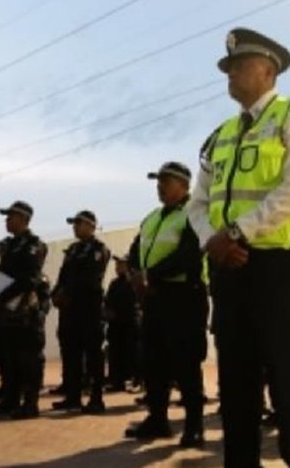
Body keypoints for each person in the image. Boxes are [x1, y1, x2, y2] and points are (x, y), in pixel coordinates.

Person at [187, 28, 290, 468]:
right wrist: (212, 239)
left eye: (240, 65)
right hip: (227, 267)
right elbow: (196, 203)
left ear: (269, 70)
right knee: (236, 380)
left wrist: (237, 233)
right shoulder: (220, 135)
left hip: (274, 266)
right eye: (228, 68)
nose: (232, 74)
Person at [125, 161, 208, 448]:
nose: (160, 186)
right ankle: (157, 419)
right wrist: (136, 273)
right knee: (154, 361)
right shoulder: (152, 218)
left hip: (184, 296)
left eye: (166, 181)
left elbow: (189, 255)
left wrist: (150, 274)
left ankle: (194, 425)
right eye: (158, 181)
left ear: (184, 186)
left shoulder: (194, 213)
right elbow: (136, 249)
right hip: (155, 297)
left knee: (186, 363)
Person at [0, 200, 47, 420]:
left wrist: (2, 297)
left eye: (11, 217)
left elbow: (28, 279)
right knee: (9, 355)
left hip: (23, 310)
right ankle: (10, 398)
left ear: (23, 219)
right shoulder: (11, 245)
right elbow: (2, 276)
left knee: (28, 358)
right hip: (6, 310)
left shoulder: (33, 245)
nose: (7, 221)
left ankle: (30, 403)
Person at [51, 210, 110, 414]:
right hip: (69, 310)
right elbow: (62, 276)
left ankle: (96, 398)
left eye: (79, 223)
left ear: (91, 226)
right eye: (74, 223)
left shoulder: (99, 249)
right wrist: (56, 294)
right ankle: (72, 396)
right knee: (71, 353)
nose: (75, 227)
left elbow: (91, 278)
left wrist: (67, 293)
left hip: (89, 308)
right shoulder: (74, 250)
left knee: (93, 354)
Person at [104, 256, 140, 392]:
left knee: (134, 354)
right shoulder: (114, 284)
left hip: (130, 323)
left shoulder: (133, 281)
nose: (118, 267)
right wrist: (108, 312)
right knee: (115, 353)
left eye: (121, 264)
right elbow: (108, 301)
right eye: (117, 265)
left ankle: (137, 381)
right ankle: (117, 382)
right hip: (116, 324)